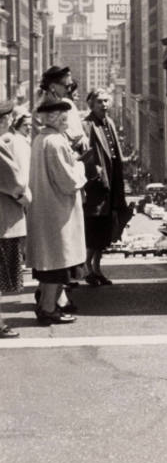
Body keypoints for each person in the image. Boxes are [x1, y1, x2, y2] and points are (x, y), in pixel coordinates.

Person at [27, 99, 86, 326]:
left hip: (45, 208)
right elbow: (68, 181)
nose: (67, 122)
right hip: (57, 212)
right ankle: (49, 308)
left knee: (51, 262)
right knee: (57, 264)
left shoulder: (39, 140)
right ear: (56, 119)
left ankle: (47, 305)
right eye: (64, 118)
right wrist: (80, 168)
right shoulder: (55, 143)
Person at [82, 88, 131, 286]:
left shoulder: (109, 123)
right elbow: (85, 157)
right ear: (91, 105)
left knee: (104, 231)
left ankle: (97, 268)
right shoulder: (87, 125)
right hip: (97, 189)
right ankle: (86, 268)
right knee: (94, 230)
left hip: (112, 187)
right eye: (100, 102)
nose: (104, 105)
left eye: (105, 101)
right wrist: (97, 174)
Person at [0, 101, 31, 338]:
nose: (9, 122)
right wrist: (25, 198)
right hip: (4, 221)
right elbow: (16, 183)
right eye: (7, 118)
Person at [35, 65, 88, 154]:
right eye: (66, 86)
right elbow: (46, 143)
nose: (70, 90)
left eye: (70, 86)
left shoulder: (69, 105)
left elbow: (81, 134)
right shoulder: (39, 112)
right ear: (52, 87)